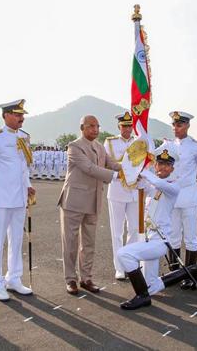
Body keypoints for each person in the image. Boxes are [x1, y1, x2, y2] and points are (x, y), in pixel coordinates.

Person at [116, 148, 197, 310]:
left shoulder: (174, 187)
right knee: (151, 285)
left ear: (173, 168)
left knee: (123, 254)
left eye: (167, 165)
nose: (162, 167)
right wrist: (136, 174)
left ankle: (142, 297)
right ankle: (189, 270)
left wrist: (145, 172)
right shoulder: (153, 185)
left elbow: (159, 183)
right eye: (160, 163)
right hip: (148, 237)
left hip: (159, 241)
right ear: (155, 165)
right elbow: (141, 186)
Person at [0, 99, 35, 301]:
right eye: (18, 114)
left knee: (17, 240)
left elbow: (23, 166)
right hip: (0, 199)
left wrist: (28, 184)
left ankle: (14, 278)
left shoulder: (24, 137)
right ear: (6, 115)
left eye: (23, 115)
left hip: (19, 198)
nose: (22, 118)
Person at [58, 115, 121, 295]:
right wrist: (116, 176)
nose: (95, 129)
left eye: (97, 126)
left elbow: (113, 164)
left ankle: (86, 278)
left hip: (93, 202)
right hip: (74, 202)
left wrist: (133, 169)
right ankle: (70, 279)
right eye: (91, 126)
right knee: (70, 242)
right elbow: (89, 168)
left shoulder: (99, 147)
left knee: (88, 243)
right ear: (82, 128)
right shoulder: (75, 146)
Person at [158, 111, 197, 289]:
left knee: (191, 238)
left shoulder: (195, 147)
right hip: (172, 197)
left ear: (187, 125)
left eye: (179, 125)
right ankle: (175, 273)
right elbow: (153, 161)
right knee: (173, 237)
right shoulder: (168, 145)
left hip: (189, 197)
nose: (175, 128)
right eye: (174, 124)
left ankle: (191, 275)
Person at [104, 111, 140, 280]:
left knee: (134, 229)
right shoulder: (110, 142)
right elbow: (106, 163)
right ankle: (119, 267)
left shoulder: (139, 142)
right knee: (117, 232)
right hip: (117, 190)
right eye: (124, 125)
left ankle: (130, 263)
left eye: (129, 125)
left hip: (134, 191)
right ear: (119, 126)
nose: (127, 128)